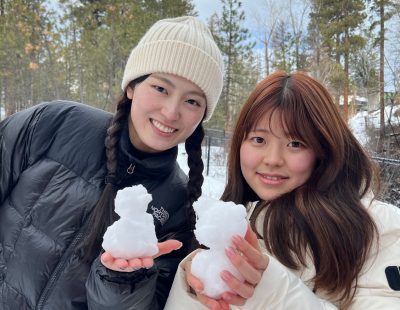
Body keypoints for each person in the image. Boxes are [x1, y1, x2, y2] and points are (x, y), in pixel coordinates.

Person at [0, 16, 223, 309]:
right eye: (161, 88)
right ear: (132, 86)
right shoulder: (56, 124)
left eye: (192, 101)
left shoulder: (179, 205)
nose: (171, 112)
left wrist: (122, 281)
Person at [165, 71, 400, 309]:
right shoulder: (233, 219)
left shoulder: (380, 230)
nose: (273, 159)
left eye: (295, 144)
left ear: (323, 150)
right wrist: (193, 283)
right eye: (259, 139)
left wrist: (273, 293)